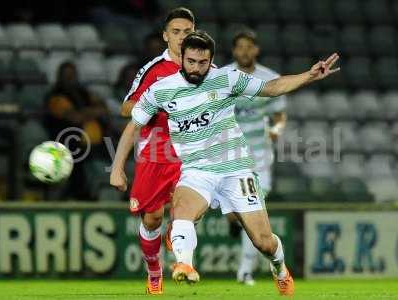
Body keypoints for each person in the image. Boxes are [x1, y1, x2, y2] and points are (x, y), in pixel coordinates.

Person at [110, 31, 339, 297]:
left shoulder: (227, 79)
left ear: (211, 60)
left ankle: (280, 268)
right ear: (182, 58)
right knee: (182, 211)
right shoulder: (160, 91)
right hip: (197, 170)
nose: (196, 68)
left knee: (263, 242)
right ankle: (184, 263)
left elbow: (272, 87)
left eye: (202, 62)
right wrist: (117, 168)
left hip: (235, 169)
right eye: (191, 61)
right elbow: (133, 126)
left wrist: (309, 75)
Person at [119, 7, 195, 295]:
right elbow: (126, 107)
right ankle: (154, 270)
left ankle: (180, 248)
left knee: (186, 210)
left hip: (191, 153)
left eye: (187, 32)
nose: (181, 37)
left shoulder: (205, 67)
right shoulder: (153, 70)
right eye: (175, 32)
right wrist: (157, 105)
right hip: (157, 153)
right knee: (151, 219)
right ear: (165, 36)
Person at [224, 30, 287, 285]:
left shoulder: (269, 79)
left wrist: (275, 131)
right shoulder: (223, 77)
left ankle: (245, 271)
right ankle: (233, 221)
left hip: (260, 157)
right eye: (240, 47)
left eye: (249, 47)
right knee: (237, 215)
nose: (245, 52)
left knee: (255, 210)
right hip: (229, 154)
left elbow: (280, 117)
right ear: (234, 51)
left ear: (256, 50)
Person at [43, 61, 110, 200]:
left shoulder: (84, 93)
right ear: (59, 77)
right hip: (69, 144)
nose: (70, 79)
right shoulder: (55, 96)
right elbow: (74, 117)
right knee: (78, 175)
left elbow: (104, 109)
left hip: (96, 144)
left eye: (72, 75)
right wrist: (91, 112)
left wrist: (85, 112)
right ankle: (75, 196)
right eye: (66, 76)